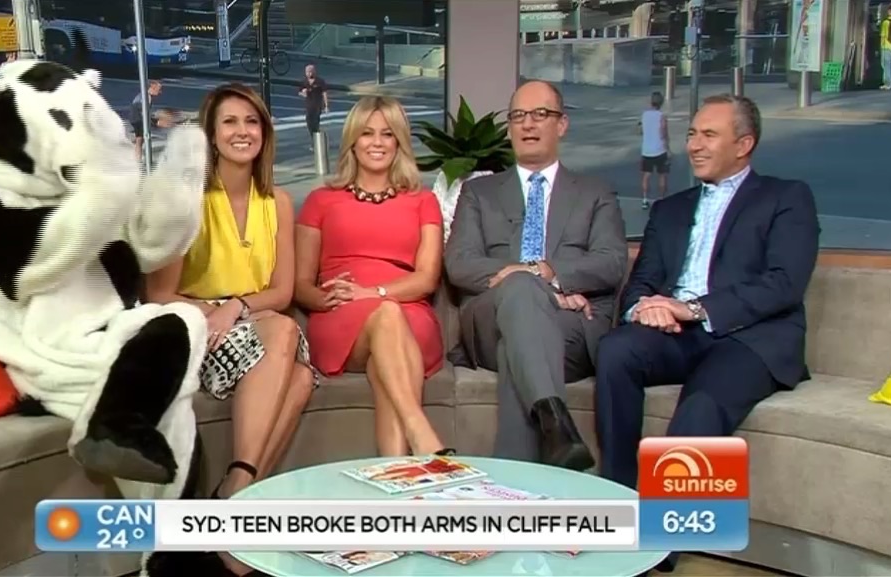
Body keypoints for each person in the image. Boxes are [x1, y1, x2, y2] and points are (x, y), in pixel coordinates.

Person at [593, 94, 820, 572]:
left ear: (744, 144)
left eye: (709, 135)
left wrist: (694, 308)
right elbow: (642, 282)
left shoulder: (786, 198)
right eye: (692, 133)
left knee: (702, 402)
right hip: (675, 332)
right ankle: (619, 498)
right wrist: (644, 309)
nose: (694, 145)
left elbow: (784, 284)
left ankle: (661, 546)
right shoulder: (670, 209)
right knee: (615, 351)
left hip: (749, 338)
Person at [144, 81, 316, 510]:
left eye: (252, 122)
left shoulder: (278, 202)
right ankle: (240, 490)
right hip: (196, 326)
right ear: (211, 134)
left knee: (295, 361)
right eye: (230, 122)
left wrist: (236, 307)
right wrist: (214, 311)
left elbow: (282, 291)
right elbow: (159, 294)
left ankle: (234, 491)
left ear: (264, 132)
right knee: (291, 353)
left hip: (253, 319)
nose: (243, 132)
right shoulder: (186, 199)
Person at [443, 80, 628, 471]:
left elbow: (611, 261)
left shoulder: (595, 193)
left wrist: (546, 274)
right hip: (491, 321)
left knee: (519, 346)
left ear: (562, 124)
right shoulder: (479, 193)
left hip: (570, 328)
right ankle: (554, 431)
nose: (527, 124)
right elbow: (459, 262)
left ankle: (540, 444)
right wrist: (531, 282)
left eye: (540, 114)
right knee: (521, 292)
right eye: (518, 116)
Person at [293, 95, 449, 458]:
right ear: (352, 140)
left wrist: (374, 293)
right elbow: (300, 284)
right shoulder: (321, 200)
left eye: (387, 134)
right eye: (367, 133)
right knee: (388, 317)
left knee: (389, 325)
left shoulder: (423, 201)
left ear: (399, 142)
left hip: (410, 311)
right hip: (341, 312)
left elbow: (427, 278)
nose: (377, 142)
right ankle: (421, 433)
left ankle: (395, 466)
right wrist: (324, 298)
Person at [638, 91, 670, 209]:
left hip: (646, 150)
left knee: (646, 176)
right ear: (661, 103)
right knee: (662, 175)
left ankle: (644, 199)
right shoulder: (661, 116)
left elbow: (640, 131)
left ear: (651, 102)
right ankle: (661, 199)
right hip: (660, 150)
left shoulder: (644, 115)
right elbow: (663, 134)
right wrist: (668, 148)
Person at [131, 80, 169, 155]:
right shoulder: (147, 97)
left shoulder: (142, 95)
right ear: (152, 87)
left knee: (140, 139)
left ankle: (135, 147)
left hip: (135, 118)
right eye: (159, 89)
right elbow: (141, 111)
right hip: (138, 119)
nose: (160, 92)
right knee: (139, 141)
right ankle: (137, 159)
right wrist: (153, 122)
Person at [298, 64, 329, 144]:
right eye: (307, 72)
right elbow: (299, 92)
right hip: (308, 106)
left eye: (310, 72)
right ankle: (315, 138)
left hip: (317, 106)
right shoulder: (304, 82)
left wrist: (326, 106)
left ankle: (316, 141)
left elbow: (324, 93)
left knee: (315, 123)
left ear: (314, 72)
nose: (309, 74)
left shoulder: (320, 81)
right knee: (309, 123)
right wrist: (303, 93)